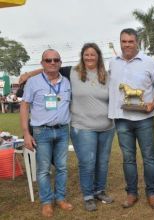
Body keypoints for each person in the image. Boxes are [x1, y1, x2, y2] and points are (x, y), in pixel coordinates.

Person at [19, 43, 116, 212]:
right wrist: (28, 73)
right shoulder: (73, 72)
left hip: (85, 128)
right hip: (69, 128)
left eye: (93, 54)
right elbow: (47, 73)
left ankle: (89, 193)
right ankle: (55, 201)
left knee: (86, 164)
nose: (90, 57)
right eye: (87, 54)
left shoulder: (104, 76)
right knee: (50, 168)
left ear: (99, 56)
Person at [108, 28, 154, 209]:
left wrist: (153, 104)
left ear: (137, 42)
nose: (127, 45)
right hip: (122, 118)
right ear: (120, 42)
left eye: (130, 41)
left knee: (149, 157)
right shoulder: (113, 63)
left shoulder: (149, 63)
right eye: (124, 41)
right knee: (128, 158)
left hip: (144, 119)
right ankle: (131, 193)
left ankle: (152, 192)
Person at [20, 49, 73, 218]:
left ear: (60, 62)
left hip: (63, 131)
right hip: (41, 131)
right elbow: (24, 106)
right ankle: (46, 202)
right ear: (42, 63)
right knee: (43, 170)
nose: (52, 63)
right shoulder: (33, 82)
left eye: (56, 59)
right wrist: (26, 133)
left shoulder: (67, 82)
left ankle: (60, 198)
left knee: (62, 168)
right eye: (48, 60)